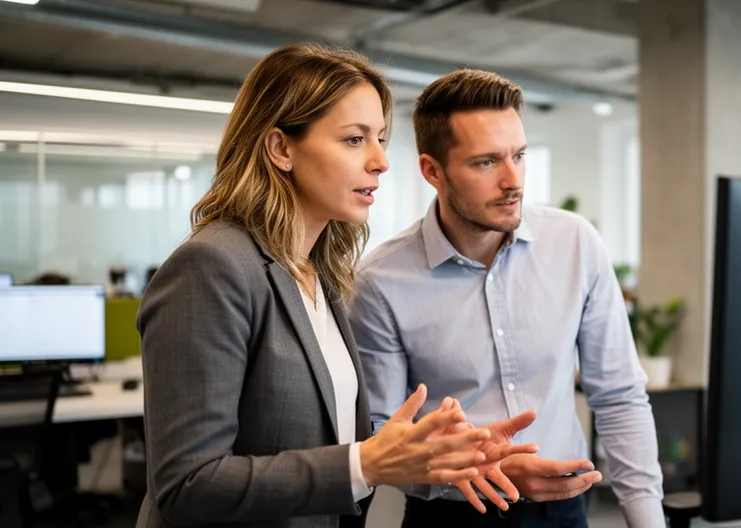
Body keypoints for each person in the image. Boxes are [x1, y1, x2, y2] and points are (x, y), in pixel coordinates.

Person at [134, 44, 534, 528]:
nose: (381, 161)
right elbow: (186, 483)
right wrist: (363, 464)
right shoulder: (213, 266)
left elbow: (316, 434)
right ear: (281, 148)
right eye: (353, 139)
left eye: (381, 139)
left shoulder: (318, 272)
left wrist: (434, 453)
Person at [349, 69, 666, 527]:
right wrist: (478, 470)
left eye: (519, 155)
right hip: (452, 515)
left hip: (565, 511)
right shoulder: (381, 280)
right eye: (485, 162)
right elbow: (382, 437)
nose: (512, 180)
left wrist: (647, 522)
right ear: (432, 171)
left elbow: (618, 396)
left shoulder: (574, 242)